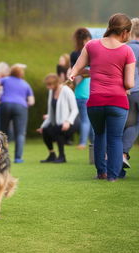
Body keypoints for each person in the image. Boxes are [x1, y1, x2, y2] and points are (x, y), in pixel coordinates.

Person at [69, 13, 136, 182]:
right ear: (125, 32)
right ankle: (112, 176)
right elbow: (129, 83)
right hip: (118, 102)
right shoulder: (127, 51)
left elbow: (76, 69)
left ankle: (101, 172)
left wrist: (73, 76)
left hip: (95, 101)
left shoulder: (92, 45)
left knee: (99, 135)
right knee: (115, 138)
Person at [0, 64, 35, 163]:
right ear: (21, 74)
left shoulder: (6, 79)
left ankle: (2, 155)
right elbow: (32, 101)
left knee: (3, 131)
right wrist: (24, 105)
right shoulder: (25, 84)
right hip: (21, 107)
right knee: (20, 133)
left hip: (5, 104)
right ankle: (18, 158)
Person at [37, 74, 78, 163]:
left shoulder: (66, 91)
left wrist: (68, 121)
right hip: (59, 123)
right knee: (45, 130)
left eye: (49, 85)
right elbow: (51, 112)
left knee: (59, 130)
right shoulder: (51, 92)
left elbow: (75, 109)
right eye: (47, 85)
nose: (48, 87)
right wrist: (43, 126)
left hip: (72, 122)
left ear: (55, 83)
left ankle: (62, 157)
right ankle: (52, 155)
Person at [120, 18, 139, 178]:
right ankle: (123, 154)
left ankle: (122, 155)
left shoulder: (124, 49)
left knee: (129, 125)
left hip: (129, 92)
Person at [70, 28, 94, 149]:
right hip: (88, 91)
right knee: (87, 119)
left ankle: (90, 143)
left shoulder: (74, 54)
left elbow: (72, 73)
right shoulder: (91, 52)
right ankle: (85, 142)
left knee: (86, 119)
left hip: (79, 91)